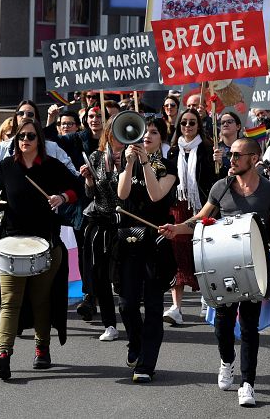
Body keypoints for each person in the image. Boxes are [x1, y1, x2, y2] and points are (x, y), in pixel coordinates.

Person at [160, 137, 270, 407]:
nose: (231, 159)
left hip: (257, 264)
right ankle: (226, 361)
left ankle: (247, 384)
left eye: (237, 155)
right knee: (223, 325)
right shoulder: (221, 188)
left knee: (249, 327)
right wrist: (178, 228)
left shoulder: (269, 190)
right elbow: (201, 218)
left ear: (253, 159)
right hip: (224, 263)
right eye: (231, 154)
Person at [0, 119, 80, 380]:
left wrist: (62, 197)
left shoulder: (51, 166)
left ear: (39, 141)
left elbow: (76, 187)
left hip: (46, 242)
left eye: (31, 136)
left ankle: (41, 347)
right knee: (9, 301)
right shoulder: (8, 166)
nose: (25, 140)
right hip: (11, 242)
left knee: (40, 300)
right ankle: (3, 355)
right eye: (21, 136)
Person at [115, 117, 178, 382]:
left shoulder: (168, 165)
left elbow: (155, 195)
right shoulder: (125, 160)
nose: (147, 137)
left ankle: (146, 364)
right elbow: (122, 193)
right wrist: (129, 163)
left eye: (153, 133)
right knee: (127, 303)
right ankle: (135, 343)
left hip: (156, 240)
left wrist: (144, 163)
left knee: (153, 305)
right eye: (144, 133)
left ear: (161, 138)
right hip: (129, 239)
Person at [44, 104, 105, 323]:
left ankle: (107, 290)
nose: (95, 119)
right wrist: (52, 119)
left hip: (113, 202)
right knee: (85, 251)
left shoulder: (114, 138)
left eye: (99, 115)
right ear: (85, 119)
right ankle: (90, 296)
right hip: (85, 205)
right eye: (91, 115)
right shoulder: (77, 139)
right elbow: (49, 140)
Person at [164, 108, 217, 324]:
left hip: (201, 208)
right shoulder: (173, 151)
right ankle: (176, 308)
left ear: (198, 125)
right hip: (178, 208)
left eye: (192, 122)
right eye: (183, 123)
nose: (187, 126)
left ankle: (207, 296)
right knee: (177, 256)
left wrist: (218, 163)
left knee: (202, 253)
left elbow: (215, 182)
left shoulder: (207, 149)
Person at [0, 100, 77, 195]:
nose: (25, 117)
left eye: (31, 136)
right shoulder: (0, 152)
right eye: (21, 113)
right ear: (15, 119)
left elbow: (72, 176)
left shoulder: (52, 150)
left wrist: (62, 197)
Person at [81, 117, 124, 342]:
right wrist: (89, 180)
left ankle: (131, 317)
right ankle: (109, 324)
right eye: (113, 132)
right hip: (100, 223)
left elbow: (127, 194)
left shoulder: (132, 158)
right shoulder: (96, 157)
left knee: (124, 276)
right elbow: (90, 195)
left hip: (125, 225)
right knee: (100, 276)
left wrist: (120, 167)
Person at [213, 111, 242, 177]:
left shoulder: (245, 147)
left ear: (238, 126)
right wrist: (219, 165)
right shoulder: (215, 148)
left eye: (229, 122)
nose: (225, 124)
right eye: (222, 123)